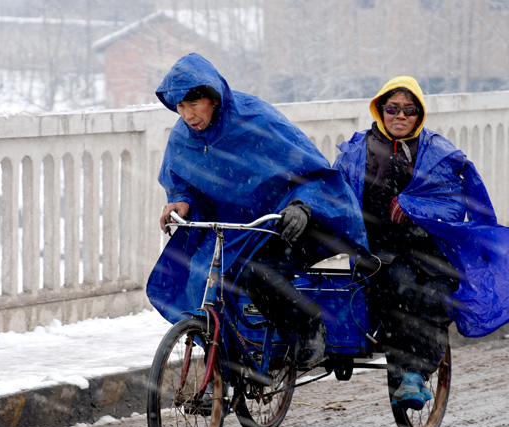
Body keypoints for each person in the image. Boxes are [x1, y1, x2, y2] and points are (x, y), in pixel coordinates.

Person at [333, 76, 509, 410]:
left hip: (429, 246)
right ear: (380, 109)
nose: (400, 116)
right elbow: (337, 192)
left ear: (419, 114)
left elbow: (453, 203)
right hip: (377, 250)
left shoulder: (437, 153)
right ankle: (407, 371)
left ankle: (416, 373)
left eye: (409, 110)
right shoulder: (356, 152)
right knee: (399, 286)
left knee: (437, 296)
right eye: (392, 108)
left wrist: (413, 209)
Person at [147, 53, 368, 367]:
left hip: (283, 221)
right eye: (180, 107)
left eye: (194, 105)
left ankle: (308, 327)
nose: (187, 115)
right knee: (197, 277)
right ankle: (225, 364)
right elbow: (185, 186)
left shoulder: (257, 121)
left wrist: (302, 206)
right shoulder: (184, 137)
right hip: (232, 228)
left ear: (213, 97)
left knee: (257, 272)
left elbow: (311, 172)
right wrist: (183, 202)